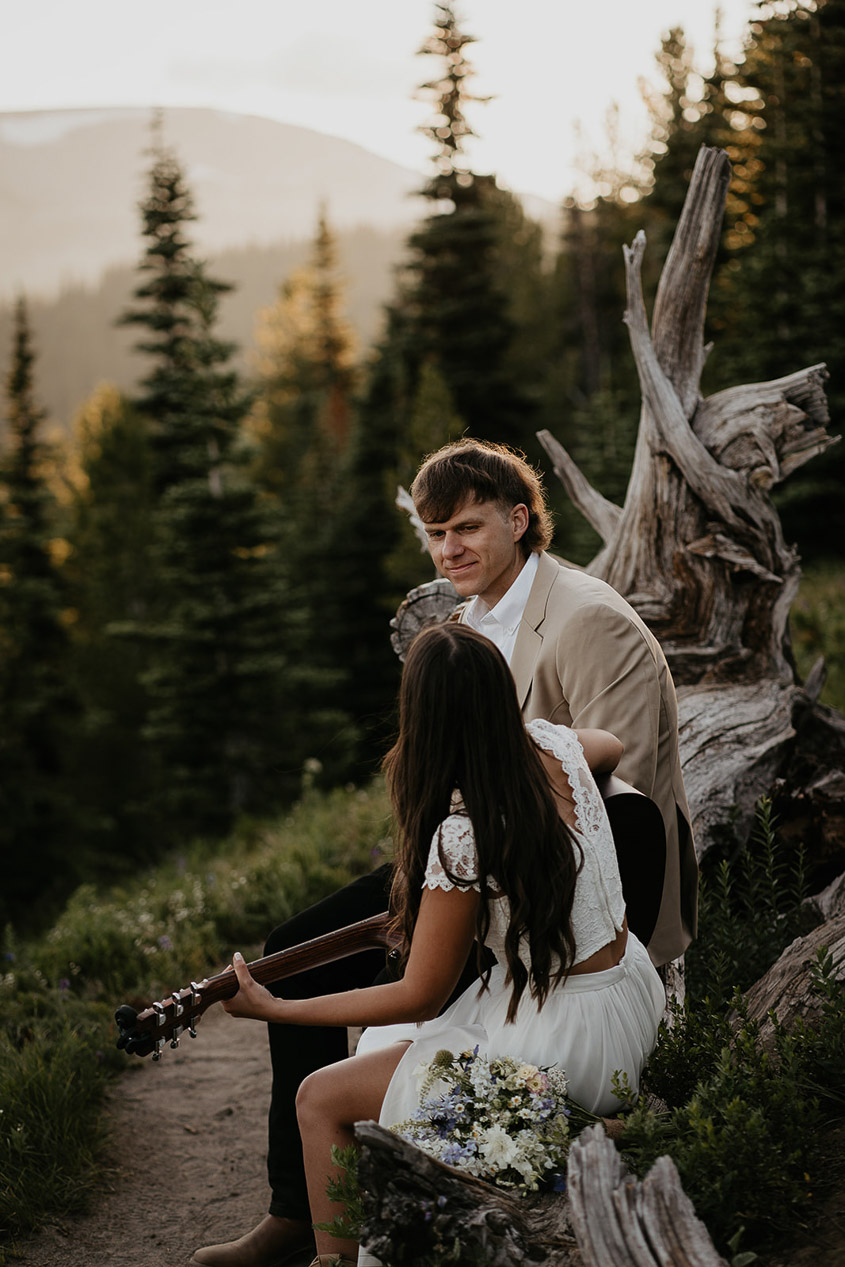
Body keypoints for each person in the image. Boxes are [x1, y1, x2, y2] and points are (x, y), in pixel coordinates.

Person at [190, 438, 695, 1267]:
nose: (449, 548)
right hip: (526, 887)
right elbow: (569, 749)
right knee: (297, 947)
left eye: (466, 527)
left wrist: (490, 896)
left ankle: (351, 1211)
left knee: (388, 1025)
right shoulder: (467, 627)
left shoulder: (586, 617)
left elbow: (629, 807)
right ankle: (296, 1201)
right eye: (434, 534)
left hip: (562, 909)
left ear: (520, 519)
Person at [220, 622, 667, 1267]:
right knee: (394, 1054)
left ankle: (335, 1259)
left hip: (564, 1039)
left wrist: (277, 1008)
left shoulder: (465, 836)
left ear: (421, 719)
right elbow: (612, 743)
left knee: (319, 1096)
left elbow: (419, 992)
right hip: (627, 998)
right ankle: (581, 1128)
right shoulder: (556, 747)